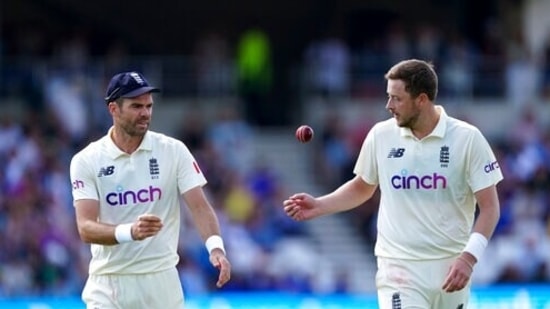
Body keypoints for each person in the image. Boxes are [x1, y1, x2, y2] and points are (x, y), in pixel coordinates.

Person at [283, 59, 502, 308]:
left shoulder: (468, 139)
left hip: (451, 268)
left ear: (421, 99)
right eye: (388, 97)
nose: (388, 105)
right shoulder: (381, 135)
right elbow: (362, 186)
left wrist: (469, 258)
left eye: (397, 98)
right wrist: (320, 205)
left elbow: (490, 207)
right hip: (399, 268)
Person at [70, 71, 231, 308]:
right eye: (136, 106)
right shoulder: (87, 160)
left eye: (149, 106)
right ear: (113, 109)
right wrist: (130, 232)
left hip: (162, 281)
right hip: (109, 282)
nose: (145, 113)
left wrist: (216, 248)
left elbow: (199, 207)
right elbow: (85, 227)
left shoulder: (173, 150)